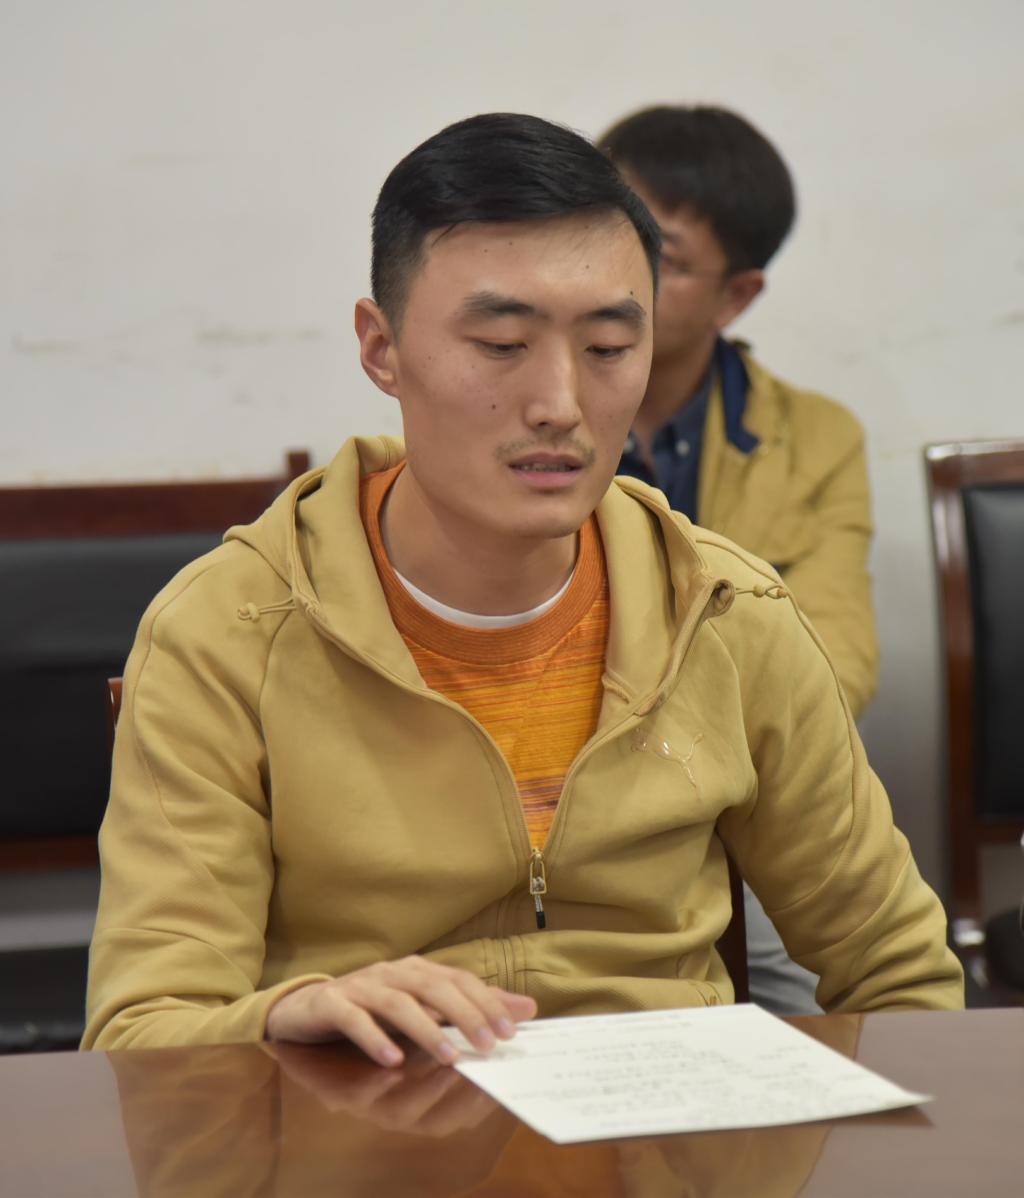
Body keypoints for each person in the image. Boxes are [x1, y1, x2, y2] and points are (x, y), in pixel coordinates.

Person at [82, 113, 962, 1067]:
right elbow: (141, 1036)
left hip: (672, 1126)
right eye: (501, 344)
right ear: (380, 348)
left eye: (609, 347)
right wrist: (288, 1013)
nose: (560, 405)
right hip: (370, 1120)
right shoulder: (226, 631)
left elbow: (899, 973)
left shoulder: (725, 611)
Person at [600, 105, 880, 1013]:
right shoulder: (511, 409)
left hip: (738, 801)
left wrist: (691, 767)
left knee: (805, 1010)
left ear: (737, 296)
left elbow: (836, 662)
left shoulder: (816, 439)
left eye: (665, 257)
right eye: (607, 230)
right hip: (552, 804)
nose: (619, 272)